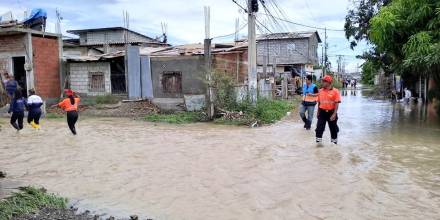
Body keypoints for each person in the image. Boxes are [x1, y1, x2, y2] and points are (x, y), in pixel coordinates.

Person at [315, 75, 341, 144]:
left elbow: (337, 103)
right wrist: (318, 112)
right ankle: (318, 146)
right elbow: (319, 102)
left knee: (333, 130)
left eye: (323, 81)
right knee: (319, 129)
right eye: (322, 81)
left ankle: (334, 146)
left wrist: (334, 114)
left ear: (328, 82)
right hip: (322, 112)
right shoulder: (320, 91)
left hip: (331, 113)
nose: (322, 83)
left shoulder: (335, 91)